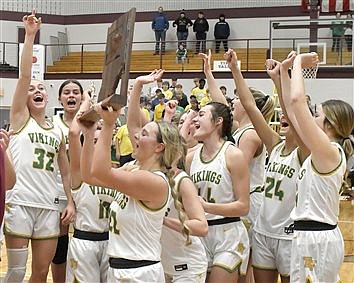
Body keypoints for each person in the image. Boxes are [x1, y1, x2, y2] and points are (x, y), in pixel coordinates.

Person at [84, 69, 184, 282]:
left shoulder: (154, 181)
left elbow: (100, 171)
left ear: (159, 148)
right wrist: (87, 131)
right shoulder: (134, 168)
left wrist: (109, 124)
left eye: (144, 134)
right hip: (119, 269)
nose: (136, 135)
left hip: (139, 273)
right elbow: (90, 176)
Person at [4, 11, 75, 283]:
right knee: (16, 272)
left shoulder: (57, 129)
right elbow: (23, 76)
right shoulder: (20, 119)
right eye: (32, 88)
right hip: (20, 202)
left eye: (42, 88)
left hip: (48, 206)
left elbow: (65, 172)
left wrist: (69, 200)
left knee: (42, 272)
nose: (36, 90)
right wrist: (30, 36)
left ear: (48, 97)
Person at [285, 52, 354, 282]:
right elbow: (291, 109)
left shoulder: (330, 151)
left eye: (317, 114)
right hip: (307, 237)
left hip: (318, 239)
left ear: (331, 124)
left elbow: (297, 101)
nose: (312, 118)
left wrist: (298, 63)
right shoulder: (321, 150)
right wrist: (281, 75)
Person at [186, 101, 250, 282]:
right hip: (200, 234)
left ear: (218, 121)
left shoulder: (233, 155)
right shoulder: (191, 158)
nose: (196, 119)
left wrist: (207, 206)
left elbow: (243, 206)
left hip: (228, 232)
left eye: (202, 114)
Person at [66, 90, 113, 282]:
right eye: (93, 134)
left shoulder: (117, 173)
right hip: (85, 241)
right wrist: (86, 102)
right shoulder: (79, 171)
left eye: (101, 130)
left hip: (112, 242)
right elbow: (73, 132)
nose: (97, 135)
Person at [51, 79, 83, 283]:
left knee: (85, 240)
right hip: (58, 191)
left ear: (82, 97)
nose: (71, 96)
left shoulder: (91, 123)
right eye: (67, 93)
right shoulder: (51, 125)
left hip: (86, 190)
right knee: (60, 243)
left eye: (76, 92)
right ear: (60, 98)